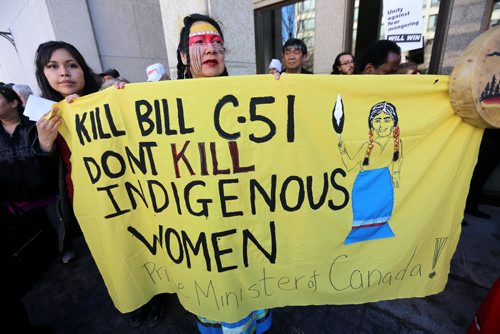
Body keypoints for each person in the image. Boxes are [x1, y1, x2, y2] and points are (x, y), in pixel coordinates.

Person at [176, 13, 272, 333]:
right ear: (182, 56)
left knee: (248, 284)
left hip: (246, 214)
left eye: (217, 43)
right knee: (216, 293)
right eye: (199, 43)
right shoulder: (166, 104)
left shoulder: (249, 96)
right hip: (201, 222)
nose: (211, 49)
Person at [1, 85, 60, 331]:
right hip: (15, 207)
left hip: (49, 199)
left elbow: (52, 160)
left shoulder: (35, 124)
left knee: (61, 245)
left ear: (14, 103)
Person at [338, 101, 403, 244]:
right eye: (377, 120)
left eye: (387, 120)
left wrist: (396, 178)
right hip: (364, 187)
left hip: (384, 185)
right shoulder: (367, 146)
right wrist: (342, 150)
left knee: (382, 222)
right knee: (362, 223)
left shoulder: (397, 144)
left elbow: (397, 163)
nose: (382, 125)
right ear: (371, 124)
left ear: (393, 123)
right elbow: (349, 165)